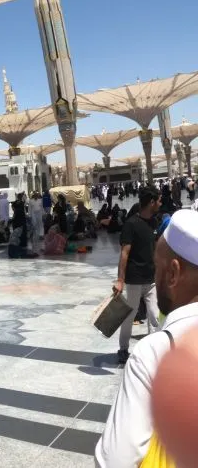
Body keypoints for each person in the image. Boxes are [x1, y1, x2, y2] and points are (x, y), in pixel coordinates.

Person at [96, 209, 198, 467]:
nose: (156, 274)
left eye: (158, 266)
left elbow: (114, 461)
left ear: (173, 273)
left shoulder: (154, 354)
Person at [114, 187, 163, 365]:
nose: (160, 203)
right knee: (130, 315)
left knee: (155, 316)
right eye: (159, 200)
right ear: (151, 202)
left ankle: (154, 350)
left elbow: (155, 249)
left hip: (151, 279)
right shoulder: (131, 224)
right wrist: (120, 280)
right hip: (134, 279)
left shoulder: (154, 222)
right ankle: (123, 349)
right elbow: (124, 253)